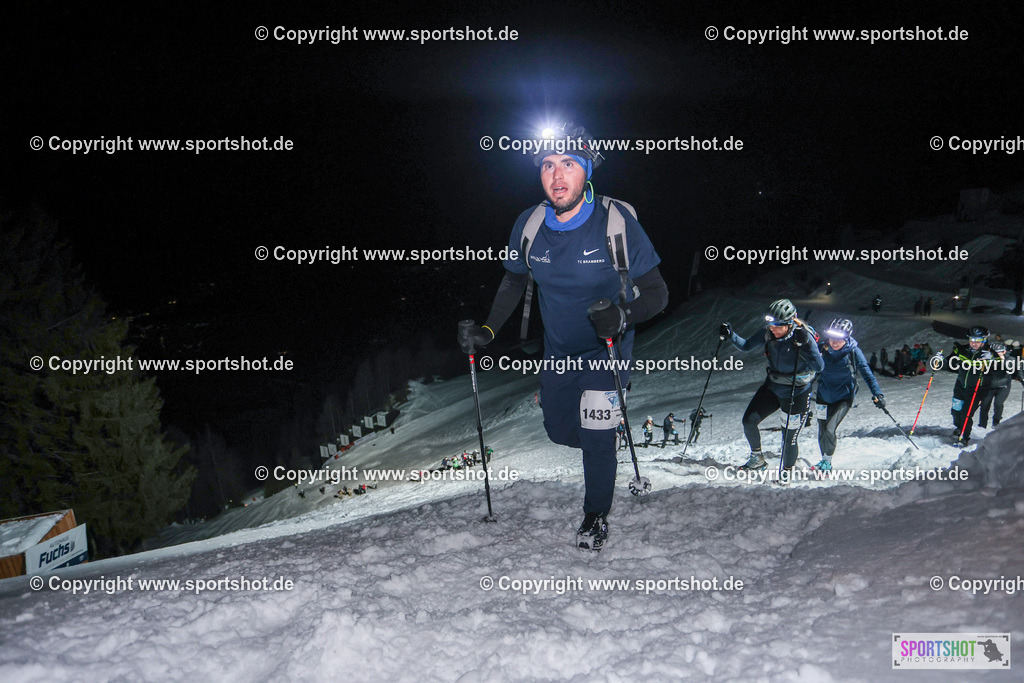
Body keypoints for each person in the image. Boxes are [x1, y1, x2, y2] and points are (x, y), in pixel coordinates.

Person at [458, 121, 668, 551]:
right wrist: (486, 331)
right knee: (557, 430)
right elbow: (513, 282)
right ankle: (604, 442)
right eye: (548, 165)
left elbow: (658, 293)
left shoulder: (616, 222)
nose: (557, 175)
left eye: (569, 163)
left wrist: (623, 315)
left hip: (607, 354)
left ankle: (595, 516)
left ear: (587, 169)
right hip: (559, 355)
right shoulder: (530, 224)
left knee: (595, 438)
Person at [721, 299, 824, 482]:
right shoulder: (768, 333)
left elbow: (819, 366)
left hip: (796, 392)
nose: (773, 329)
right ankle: (757, 459)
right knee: (749, 421)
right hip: (773, 387)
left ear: (790, 323)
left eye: (778, 326)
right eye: (771, 325)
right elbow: (746, 346)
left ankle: (785, 473)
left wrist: (806, 346)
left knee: (789, 438)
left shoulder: (803, 336)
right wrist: (731, 335)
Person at [812, 319, 885, 473]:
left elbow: (867, 374)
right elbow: (809, 369)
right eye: (832, 338)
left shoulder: (853, 352)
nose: (834, 342)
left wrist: (878, 394)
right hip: (822, 396)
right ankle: (823, 460)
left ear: (846, 338)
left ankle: (827, 463)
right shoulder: (822, 349)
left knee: (830, 429)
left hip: (843, 398)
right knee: (822, 430)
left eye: (839, 339)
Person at [949, 325, 993, 447]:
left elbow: (1003, 363)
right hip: (960, 385)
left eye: (977, 341)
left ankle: (964, 437)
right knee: (955, 411)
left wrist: (993, 359)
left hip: (977, 389)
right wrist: (940, 360)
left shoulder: (990, 353)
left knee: (966, 414)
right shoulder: (962, 350)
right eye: (971, 340)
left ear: (984, 340)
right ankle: (959, 427)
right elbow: (949, 363)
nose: (973, 343)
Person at [979, 342, 1024, 428]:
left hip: (1003, 386)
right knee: (984, 404)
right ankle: (982, 424)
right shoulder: (990, 358)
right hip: (989, 386)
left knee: (998, 403)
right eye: (996, 352)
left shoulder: (1010, 359)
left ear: (1004, 351)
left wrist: (1022, 380)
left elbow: (1011, 369)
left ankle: (996, 422)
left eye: (1000, 352)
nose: (998, 354)